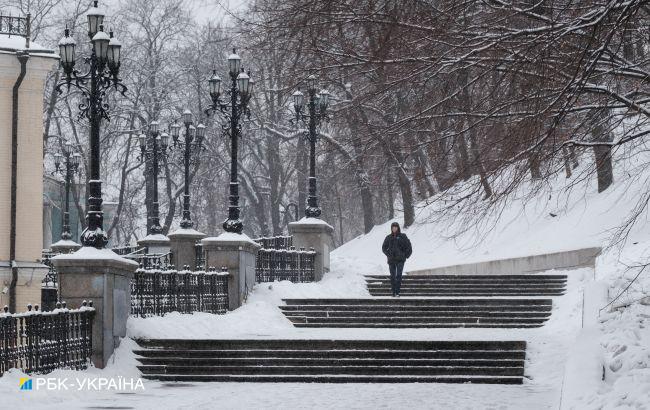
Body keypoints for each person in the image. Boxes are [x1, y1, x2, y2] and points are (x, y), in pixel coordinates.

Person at [381, 222, 412, 297]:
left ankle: (397, 292)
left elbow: (409, 247)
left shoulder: (403, 236)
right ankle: (393, 292)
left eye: (396, 227)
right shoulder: (388, 237)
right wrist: (388, 254)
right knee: (392, 276)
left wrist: (405, 255)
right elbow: (384, 247)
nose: (394, 228)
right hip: (391, 260)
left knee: (399, 275)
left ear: (398, 228)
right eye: (393, 227)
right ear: (391, 228)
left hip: (400, 260)